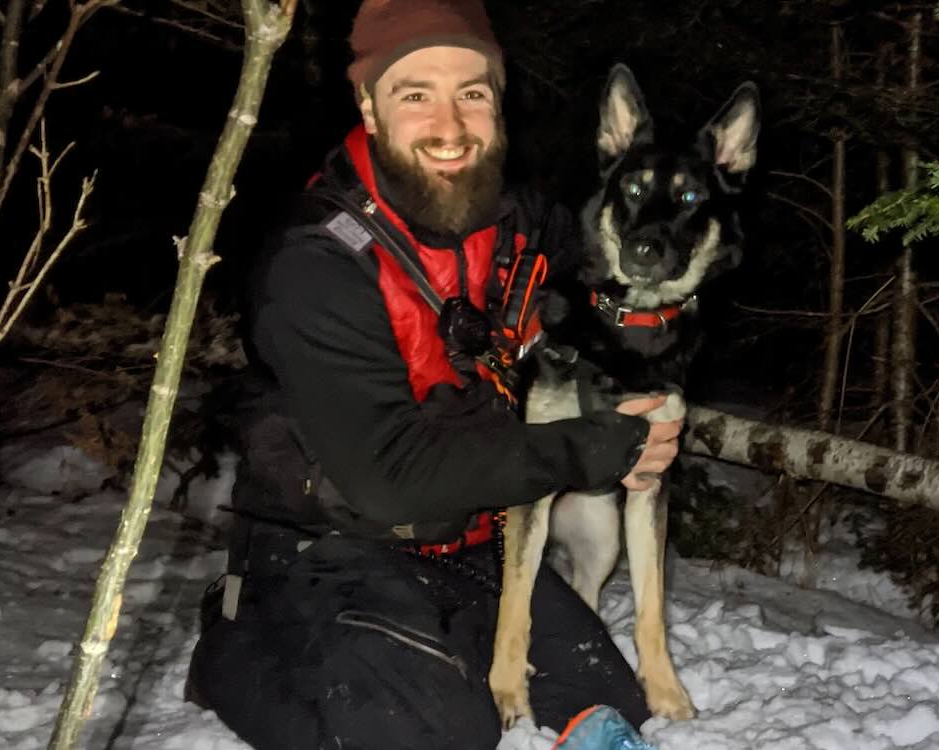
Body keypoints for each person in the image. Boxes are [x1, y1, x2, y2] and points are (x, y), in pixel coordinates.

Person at [185, 1, 680, 747]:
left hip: (471, 541)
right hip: (334, 545)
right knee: (438, 731)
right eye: (415, 94)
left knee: (605, 699)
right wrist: (601, 445)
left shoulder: (517, 221)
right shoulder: (315, 263)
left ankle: (441, 640)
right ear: (369, 107)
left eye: (472, 93)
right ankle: (236, 642)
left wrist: (658, 334)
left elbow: (615, 284)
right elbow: (390, 476)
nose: (451, 127)